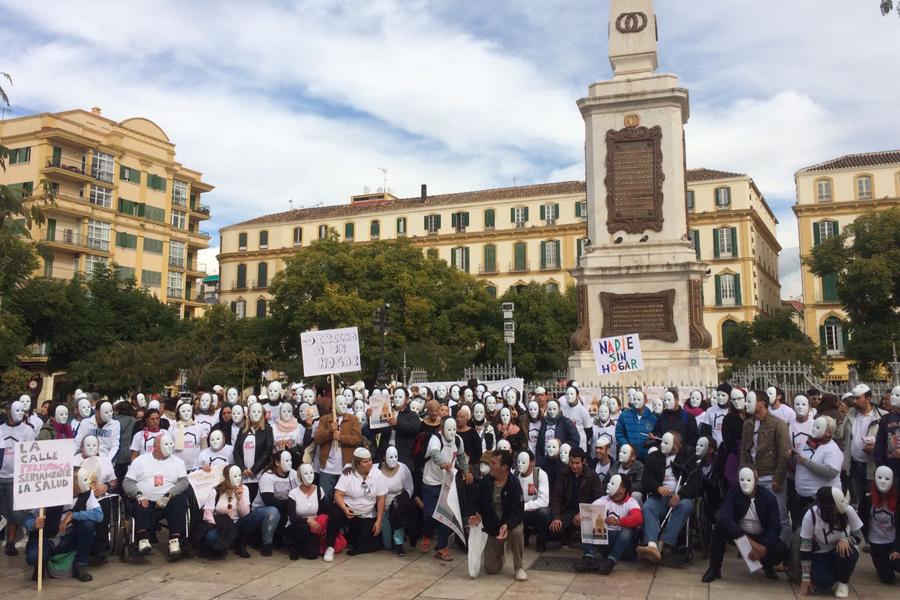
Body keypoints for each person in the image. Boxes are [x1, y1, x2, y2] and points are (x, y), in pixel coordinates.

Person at [702, 467, 788, 582]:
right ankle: (714, 568)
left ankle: (768, 566)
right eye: (741, 480)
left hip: (761, 537)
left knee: (780, 549)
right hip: (739, 534)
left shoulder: (768, 498)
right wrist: (747, 541)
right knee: (719, 528)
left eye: (749, 480)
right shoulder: (733, 494)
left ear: (756, 480)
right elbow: (725, 517)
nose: (745, 483)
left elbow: (775, 525)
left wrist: (763, 546)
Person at [23, 468, 102, 582]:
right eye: (83, 479)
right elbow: (28, 517)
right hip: (48, 539)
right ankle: (40, 567)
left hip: (68, 538)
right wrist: (33, 524)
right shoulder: (49, 494)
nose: (87, 482)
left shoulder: (86, 494)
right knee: (34, 557)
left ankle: (80, 565)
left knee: (88, 525)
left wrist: (73, 515)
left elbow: (98, 515)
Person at [122, 433, 189, 558]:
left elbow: (184, 482)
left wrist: (169, 495)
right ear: (155, 446)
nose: (169, 446)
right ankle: (143, 539)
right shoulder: (140, 461)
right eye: (165, 444)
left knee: (180, 500)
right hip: (146, 500)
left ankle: (174, 540)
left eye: (171, 444)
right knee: (139, 504)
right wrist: (138, 494)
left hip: (168, 500)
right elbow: (128, 482)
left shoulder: (178, 462)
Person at [636, 431, 699, 565]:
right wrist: (657, 487)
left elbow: (696, 482)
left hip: (679, 497)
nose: (662, 445)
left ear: (677, 446)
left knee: (686, 506)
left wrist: (680, 495)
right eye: (662, 442)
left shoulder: (687, 458)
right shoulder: (654, 457)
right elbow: (646, 479)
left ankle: (663, 543)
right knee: (648, 507)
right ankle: (651, 545)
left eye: (667, 442)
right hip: (659, 496)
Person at [740, 390, 791, 545]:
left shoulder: (778, 424)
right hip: (754, 478)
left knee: (780, 517)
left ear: (761, 403)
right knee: (755, 517)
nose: (746, 404)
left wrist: (778, 478)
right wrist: (743, 472)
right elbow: (744, 450)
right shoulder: (748, 424)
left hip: (771, 477)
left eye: (751, 401)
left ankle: (784, 553)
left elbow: (784, 453)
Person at [468, 450, 527, 581]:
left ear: (504, 467)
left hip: (509, 525)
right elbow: (475, 502)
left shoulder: (514, 484)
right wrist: (477, 515)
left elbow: (519, 513)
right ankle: (500, 553)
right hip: (492, 527)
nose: (490, 465)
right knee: (490, 569)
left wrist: (507, 525)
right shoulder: (485, 482)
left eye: (494, 463)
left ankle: (518, 567)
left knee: (517, 531)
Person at [798, 487, 863, 599]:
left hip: (843, 550)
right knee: (822, 582)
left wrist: (846, 540)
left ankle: (843, 582)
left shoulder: (848, 511)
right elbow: (805, 547)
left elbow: (858, 536)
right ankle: (831, 573)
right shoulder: (811, 515)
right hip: (821, 552)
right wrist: (805, 578)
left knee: (845, 552)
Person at [324, 447, 387, 561]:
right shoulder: (348, 472)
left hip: (366, 513)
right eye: (365, 462)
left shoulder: (377, 474)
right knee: (334, 512)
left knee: (366, 545)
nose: (369, 464)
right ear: (357, 464)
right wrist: (344, 508)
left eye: (370, 460)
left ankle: (352, 538)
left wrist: (379, 520)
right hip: (349, 509)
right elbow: (338, 494)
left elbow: (381, 498)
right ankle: (330, 547)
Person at [422, 416, 470, 560]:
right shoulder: (435, 439)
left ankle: (441, 547)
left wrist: (466, 471)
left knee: (447, 517)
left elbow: (461, 457)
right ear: (441, 429)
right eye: (449, 429)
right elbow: (435, 454)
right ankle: (426, 535)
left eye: (454, 429)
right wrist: (444, 463)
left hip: (448, 483)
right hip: (431, 482)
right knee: (430, 514)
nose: (452, 432)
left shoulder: (458, 440)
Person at [576, 473, 642, 575]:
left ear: (622, 490)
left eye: (612, 483)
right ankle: (589, 558)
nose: (608, 485)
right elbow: (587, 512)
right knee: (588, 519)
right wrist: (579, 517)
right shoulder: (603, 500)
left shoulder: (631, 502)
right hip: (605, 544)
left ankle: (612, 560)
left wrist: (619, 521)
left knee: (628, 529)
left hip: (625, 548)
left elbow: (638, 519)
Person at [847, 383, 887, 534]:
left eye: (858, 398)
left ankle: (877, 534)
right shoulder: (851, 416)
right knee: (861, 502)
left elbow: (888, 441)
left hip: (873, 467)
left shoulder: (882, 416)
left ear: (868, 398)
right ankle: (866, 535)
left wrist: (876, 448)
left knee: (874, 501)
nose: (855, 401)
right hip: (855, 466)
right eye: (854, 398)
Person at [73, 434, 118, 564]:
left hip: (100, 496)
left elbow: (114, 480)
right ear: (81, 447)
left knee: (103, 510)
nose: (91, 448)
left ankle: (100, 550)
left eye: (94, 445)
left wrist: (106, 486)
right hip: (79, 496)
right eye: (88, 445)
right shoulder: (74, 460)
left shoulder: (104, 460)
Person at [793, 416, 843, 527]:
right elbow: (799, 463)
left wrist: (806, 462)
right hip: (802, 497)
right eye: (814, 426)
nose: (814, 429)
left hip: (820, 500)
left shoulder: (832, 449)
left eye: (818, 427)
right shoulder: (806, 443)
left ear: (829, 433)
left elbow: (831, 472)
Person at [549, 447, 603, 549]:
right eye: (572, 463)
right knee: (554, 529)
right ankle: (567, 538)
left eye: (577, 463)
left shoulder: (592, 475)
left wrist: (584, 513)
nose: (574, 466)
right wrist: (556, 517)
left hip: (585, 511)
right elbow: (556, 497)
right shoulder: (562, 473)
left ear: (583, 461)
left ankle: (577, 538)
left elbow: (598, 499)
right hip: (567, 511)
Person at [2, 400, 36, 555]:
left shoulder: (28, 431)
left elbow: (31, 453)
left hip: (16, 477)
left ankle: (10, 542)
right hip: (0, 475)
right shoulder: (0, 429)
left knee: (14, 513)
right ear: (8, 411)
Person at [313, 395, 363, 502]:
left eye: (345, 403)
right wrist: (329, 431)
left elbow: (358, 439)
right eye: (340, 404)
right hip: (327, 469)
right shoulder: (325, 419)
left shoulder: (353, 419)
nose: (343, 406)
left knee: (345, 500)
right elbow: (317, 439)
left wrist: (341, 438)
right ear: (334, 406)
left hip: (346, 468)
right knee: (325, 499)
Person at [201, 464, 255, 558]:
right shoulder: (215, 491)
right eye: (235, 476)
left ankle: (240, 544)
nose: (238, 479)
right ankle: (223, 546)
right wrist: (219, 525)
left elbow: (245, 514)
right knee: (211, 537)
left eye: (239, 476)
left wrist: (240, 498)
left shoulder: (245, 489)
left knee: (251, 518)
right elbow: (207, 514)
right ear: (227, 477)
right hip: (221, 525)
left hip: (237, 523)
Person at [252, 450, 298, 555]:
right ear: (277, 463)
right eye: (286, 460)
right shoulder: (267, 476)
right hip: (263, 510)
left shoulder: (294, 474)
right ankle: (267, 544)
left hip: (284, 507)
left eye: (290, 460)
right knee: (273, 511)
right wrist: (290, 504)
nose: (289, 463)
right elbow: (268, 500)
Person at [286, 464, 331, 560]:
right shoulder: (293, 493)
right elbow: (293, 518)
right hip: (297, 525)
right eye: (306, 474)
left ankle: (305, 546)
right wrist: (308, 520)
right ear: (300, 476)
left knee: (313, 554)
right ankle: (294, 547)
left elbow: (323, 512)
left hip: (314, 527)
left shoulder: (319, 490)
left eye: (311, 473)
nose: (309, 476)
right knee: (303, 528)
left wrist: (321, 525)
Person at [234, 402, 275, 502]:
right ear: (248, 414)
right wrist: (243, 468)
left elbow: (267, 451)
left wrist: (254, 469)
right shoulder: (242, 429)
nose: (256, 414)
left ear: (262, 414)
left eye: (258, 411)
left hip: (258, 474)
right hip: (243, 475)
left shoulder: (267, 430)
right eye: (253, 411)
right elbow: (236, 450)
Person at [379, 445, 415, 556]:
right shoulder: (376, 469)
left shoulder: (403, 469)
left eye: (396, 456)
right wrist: (348, 467)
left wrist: (402, 501)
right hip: (382, 507)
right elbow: (359, 467)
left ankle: (398, 543)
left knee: (399, 513)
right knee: (387, 545)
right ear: (384, 457)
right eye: (391, 456)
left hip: (397, 506)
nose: (394, 459)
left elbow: (409, 489)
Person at [868, 466, 899, 584]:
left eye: (887, 478)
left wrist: (897, 548)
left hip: (894, 540)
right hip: (877, 542)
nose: (883, 481)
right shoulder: (868, 497)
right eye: (879, 478)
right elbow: (861, 517)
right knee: (887, 578)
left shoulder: (897, 497)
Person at [376, 388, 421, 470]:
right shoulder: (386, 411)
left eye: (400, 397)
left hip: (403, 455)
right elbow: (375, 430)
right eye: (395, 397)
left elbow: (415, 428)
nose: (397, 399)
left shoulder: (412, 415)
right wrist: (371, 418)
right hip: (384, 453)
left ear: (407, 399)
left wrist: (398, 423)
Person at [516, 450, 550, 552]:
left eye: (524, 462)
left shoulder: (540, 475)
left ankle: (541, 541)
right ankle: (523, 536)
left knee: (544, 513)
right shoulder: (514, 475)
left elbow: (544, 501)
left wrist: (525, 506)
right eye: (519, 462)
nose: (520, 465)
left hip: (534, 511)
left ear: (532, 462)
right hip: (519, 512)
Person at [615, 390, 656, 462]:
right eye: (634, 399)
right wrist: (627, 447)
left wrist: (653, 438)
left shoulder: (652, 418)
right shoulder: (624, 415)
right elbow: (619, 433)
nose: (636, 402)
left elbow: (657, 435)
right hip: (629, 457)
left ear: (645, 401)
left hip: (646, 457)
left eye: (639, 399)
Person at [537, 400, 578, 466]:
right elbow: (539, 442)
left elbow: (575, 439)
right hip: (545, 459)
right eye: (549, 409)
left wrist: (562, 445)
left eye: (554, 409)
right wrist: (539, 459)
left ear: (559, 409)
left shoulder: (566, 422)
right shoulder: (544, 422)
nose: (552, 411)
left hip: (560, 460)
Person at [873, 385, 900, 486]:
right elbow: (879, 445)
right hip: (890, 471)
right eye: (892, 395)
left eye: (897, 395)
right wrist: (880, 466)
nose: (893, 397)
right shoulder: (886, 419)